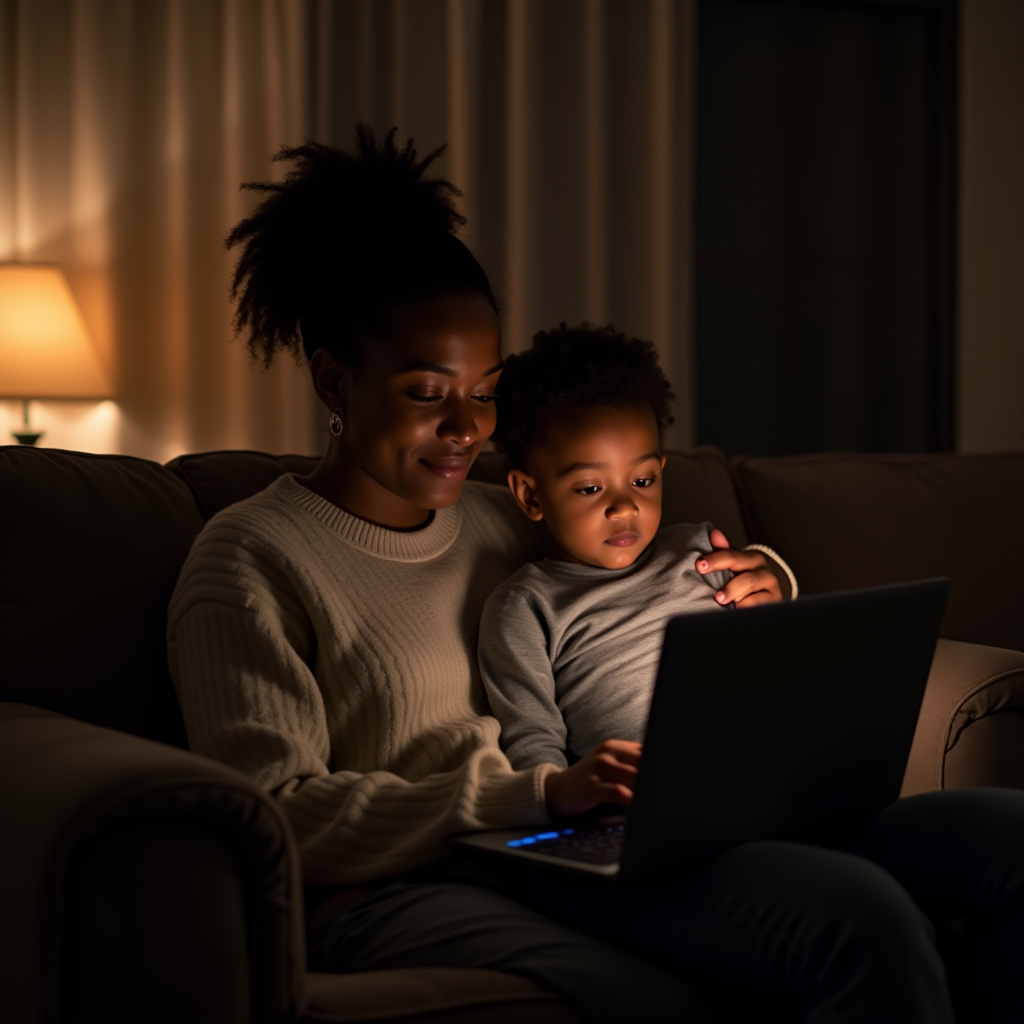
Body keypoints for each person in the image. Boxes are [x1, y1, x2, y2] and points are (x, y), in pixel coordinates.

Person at [168, 125, 1024, 1024]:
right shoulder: (250, 560)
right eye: (428, 395)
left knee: (1005, 841)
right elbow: (274, 813)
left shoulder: (506, 514)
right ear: (335, 385)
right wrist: (536, 792)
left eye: (486, 391)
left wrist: (765, 582)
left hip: (596, 834)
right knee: (845, 924)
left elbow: (642, 583)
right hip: (418, 879)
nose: (469, 429)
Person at [478, 322, 785, 769]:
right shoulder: (525, 607)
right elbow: (533, 741)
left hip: (768, 759)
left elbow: (778, 658)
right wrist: (564, 804)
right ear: (531, 495)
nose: (624, 507)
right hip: (656, 798)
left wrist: (775, 592)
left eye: (642, 481)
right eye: (588, 488)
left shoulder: (699, 550)